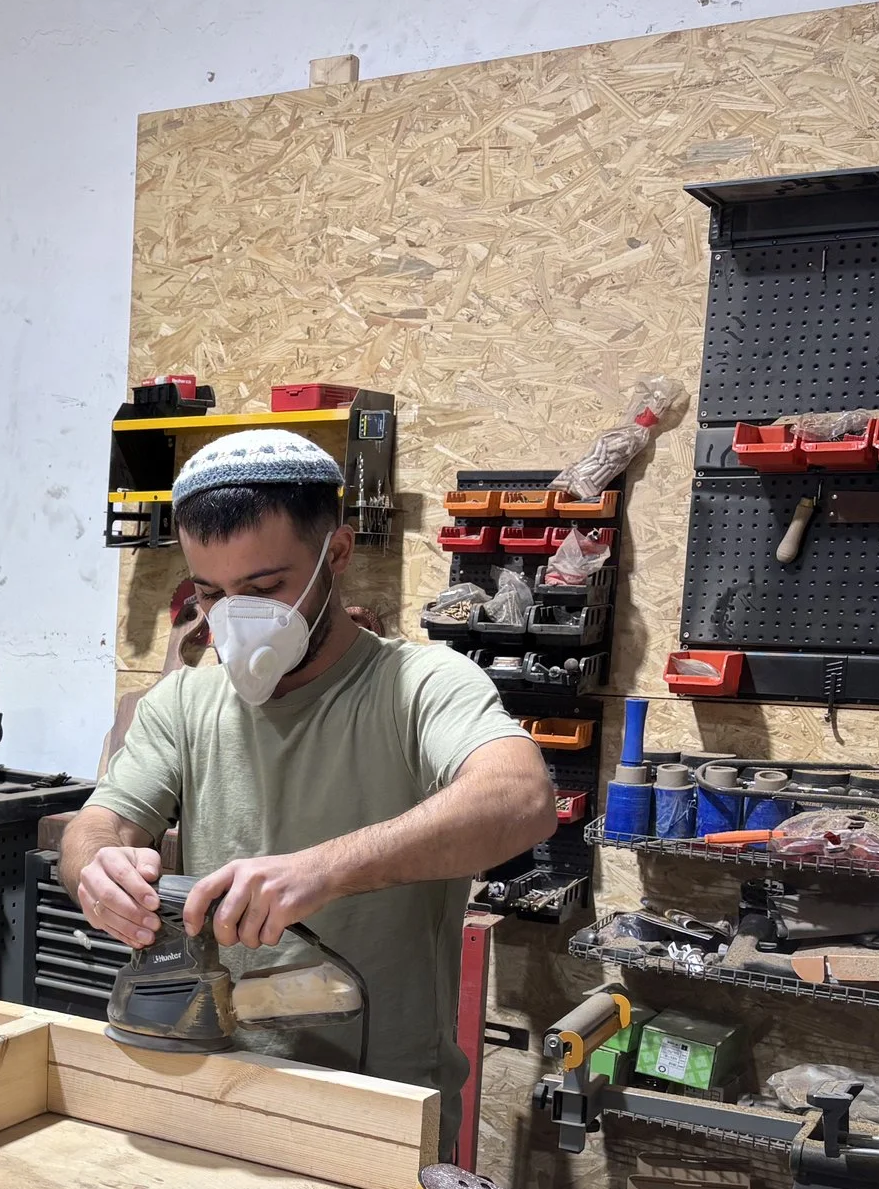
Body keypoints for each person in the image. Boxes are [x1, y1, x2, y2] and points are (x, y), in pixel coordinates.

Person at [58, 429, 554, 1140]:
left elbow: (521, 798)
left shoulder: (417, 685)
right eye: (210, 593)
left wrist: (325, 869)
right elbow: (96, 825)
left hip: (379, 1109)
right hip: (215, 1083)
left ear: (339, 554)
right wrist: (98, 870)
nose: (234, 617)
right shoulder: (185, 703)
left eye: (264, 588)